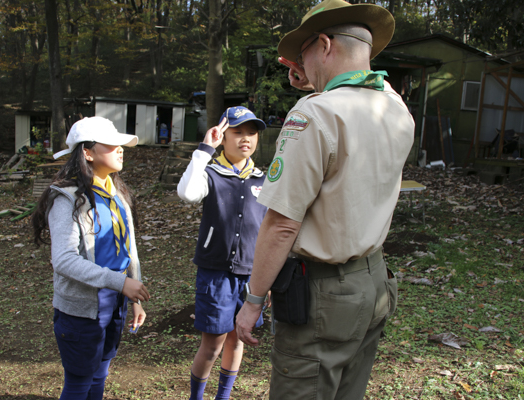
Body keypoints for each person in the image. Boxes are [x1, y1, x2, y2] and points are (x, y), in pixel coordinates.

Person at [235, 1, 415, 399]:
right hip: (373, 283)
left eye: (304, 56)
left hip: (323, 297)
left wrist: (252, 301)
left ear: (324, 43)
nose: (301, 67)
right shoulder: (396, 107)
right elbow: (365, 86)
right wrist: (317, 77)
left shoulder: (313, 115)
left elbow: (282, 223)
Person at [31, 116, 150, 400]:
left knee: (100, 374)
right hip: (81, 309)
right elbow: (63, 260)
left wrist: (133, 296)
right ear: (87, 152)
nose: (121, 149)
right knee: (79, 382)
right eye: (111, 144)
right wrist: (120, 284)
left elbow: (128, 250)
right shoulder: (67, 200)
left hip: (116, 302)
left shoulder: (118, 194)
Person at [178, 106, 268, 400]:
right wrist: (205, 149)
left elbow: (271, 230)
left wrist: (266, 281)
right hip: (216, 275)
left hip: (251, 276)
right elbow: (188, 194)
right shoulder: (210, 173)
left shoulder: (264, 180)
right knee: (213, 344)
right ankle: (196, 397)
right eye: (237, 132)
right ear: (223, 136)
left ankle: (223, 397)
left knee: (237, 339)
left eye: (251, 133)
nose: (246, 139)